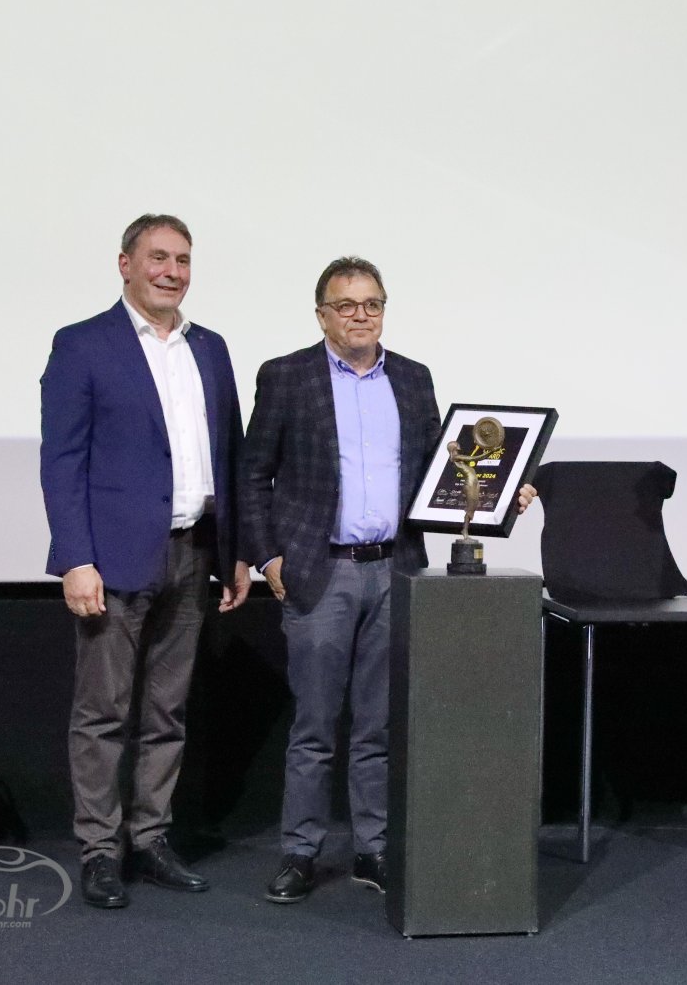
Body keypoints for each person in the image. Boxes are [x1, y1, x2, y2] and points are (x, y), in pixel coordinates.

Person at [240, 256, 532, 904]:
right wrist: (268, 558)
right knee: (315, 727)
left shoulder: (412, 377)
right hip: (319, 573)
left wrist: (498, 494)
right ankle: (300, 852)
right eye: (347, 305)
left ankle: (373, 847)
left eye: (372, 303)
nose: (361, 316)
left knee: (377, 728)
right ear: (322, 314)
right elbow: (253, 471)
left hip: (397, 571)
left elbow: (439, 476)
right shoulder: (286, 376)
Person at [40, 214, 250, 909]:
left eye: (183, 259)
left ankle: (151, 837)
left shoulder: (210, 348)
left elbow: (230, 455)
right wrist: (76, 558)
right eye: (158, 257)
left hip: (195, 553)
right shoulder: (82, 344)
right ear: (125, 263)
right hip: (115, 559)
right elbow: (61, 461)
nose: (172, 271)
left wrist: (235, 552)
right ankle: (100, 850)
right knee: (101, 714)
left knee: (168, 711)